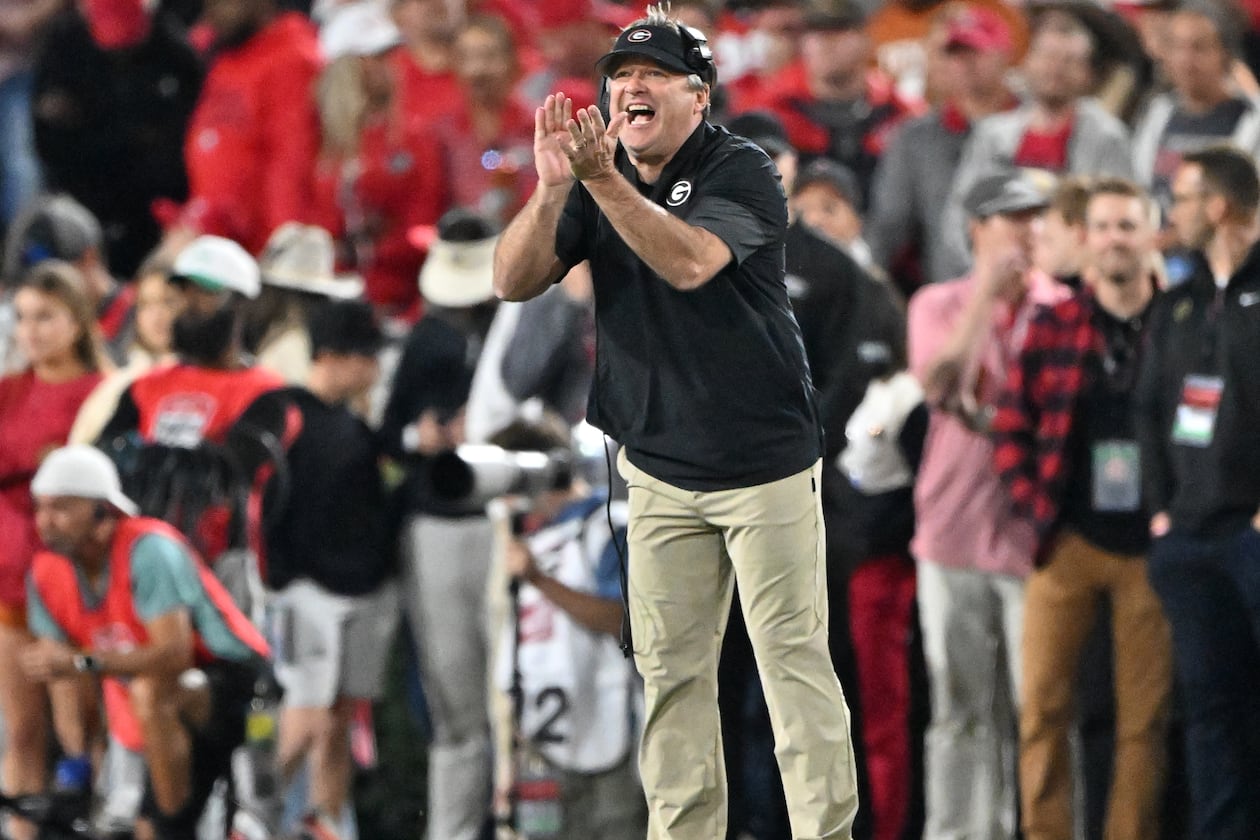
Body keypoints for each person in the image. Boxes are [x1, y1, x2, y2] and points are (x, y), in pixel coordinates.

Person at [492, 6, 860, 838]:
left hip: (761, 464)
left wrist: (601, 182)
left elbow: (691, 262)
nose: (630, 89)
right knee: (671, 676)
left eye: (650, 76)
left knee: (790, 668)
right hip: (657, 467)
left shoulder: (743, 170)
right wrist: (555, 185)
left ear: (699, 96)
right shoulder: (594, 175)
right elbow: (512, 281)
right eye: (619, 77)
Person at [992, 178, 1172, 840]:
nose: (1117, 239)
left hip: (1151, 547)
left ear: (1153, 235)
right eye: (1105, 226)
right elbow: (1010, 424)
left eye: (1130, 225)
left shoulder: (1177, 322)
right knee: (1040, 708)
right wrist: (1036, 507)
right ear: (1085, 239)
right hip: (1064, 539)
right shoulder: (1054, 322)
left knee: (1144, 720)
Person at [907, 170, 1067, 840]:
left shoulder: (1061, 305)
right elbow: (939, 383)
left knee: (1040, 710)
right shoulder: (937, 302)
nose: (1026, 233)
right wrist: (984, 302)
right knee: (961, 708)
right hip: (952, 530)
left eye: (1035, 218)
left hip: (1036, 536)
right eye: (1011, 219)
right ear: (976, 230)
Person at [22, 444, 270, 840]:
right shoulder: (45, 574)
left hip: (231, 680)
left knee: (153, 692)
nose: (45, 521)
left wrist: (81, 663)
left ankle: (176, 826)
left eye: (62, 508)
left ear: (102, 510)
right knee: (139, 819)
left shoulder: (147, 549)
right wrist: (80, 766)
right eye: (41, 508)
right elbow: (62, 676)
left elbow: (174, 654)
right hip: (152, 694)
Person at [1135, 146, 1260, 840]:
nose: (1171, 213)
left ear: (1218, 206)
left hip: (1251, 533)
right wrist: (1160, 508)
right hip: (1188, 537)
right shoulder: (1177, 302)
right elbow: (1150, 408)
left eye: (1181, 198)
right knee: (1210, 712)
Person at [379, 208, 501, 840]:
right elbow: (390, 433)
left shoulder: (528, 324)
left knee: (514, 700)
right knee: (456, 704)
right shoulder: (426, 339)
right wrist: (419, 434)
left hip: (508, 519)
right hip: (441, 525)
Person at [256, 300, 396, 840]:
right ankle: (248, 817)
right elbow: (266, 505)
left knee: (337, 718)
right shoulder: (284, 413)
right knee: (307, 716)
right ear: (335, 357)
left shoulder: (354, 424)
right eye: (367, 357)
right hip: (304, 593)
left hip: (357, 589)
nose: (375, 368)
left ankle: (326, 825)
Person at [493, 418, 646, 840]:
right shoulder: (527, 545)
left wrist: (541, 582)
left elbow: (624, 622)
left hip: (614, 736)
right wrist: (511, 764)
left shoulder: (608, 524)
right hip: (544, 751)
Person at [0, 261, 105, 839]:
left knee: (82, 732)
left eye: (45, 317)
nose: (31, 331)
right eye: (22, 319)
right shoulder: (8, 392)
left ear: (78, 321)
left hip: (77, 586)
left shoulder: (102, 393)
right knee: (21, 731)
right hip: (11, 581)